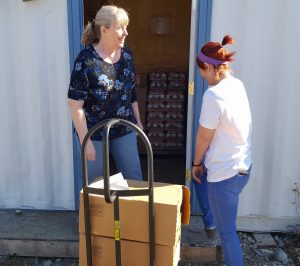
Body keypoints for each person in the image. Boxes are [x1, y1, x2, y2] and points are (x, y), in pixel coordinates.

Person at [192, 35, 252, 266]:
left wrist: (197, 163)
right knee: (200, 182)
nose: (204, 78)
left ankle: (214, 226)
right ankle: (209, 222)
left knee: (228, 234)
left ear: (208, 66)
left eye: (202, 73)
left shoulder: (213, 95)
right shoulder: (237, 84)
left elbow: (204, 136)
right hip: (243, 164)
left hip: (225, 174)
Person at [68, 5, 143, 185]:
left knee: (135, 179)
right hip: (93, 132)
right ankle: (98, 215)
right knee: (96, 184)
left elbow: (131, 92)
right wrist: (85, 140)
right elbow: (75, 104)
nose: (125, 32)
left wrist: (138, 121)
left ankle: (134, 214)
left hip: (124, 127)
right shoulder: (86, 59)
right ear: (104, 30)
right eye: (120, 28)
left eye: (126, 27)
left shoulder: (126, 56)